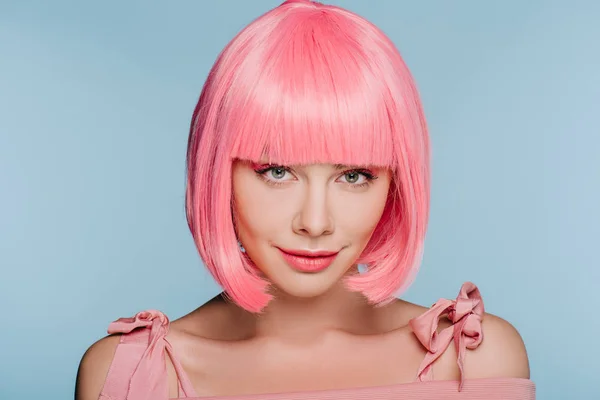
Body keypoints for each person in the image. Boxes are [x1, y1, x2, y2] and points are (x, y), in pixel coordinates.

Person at [75, 0, 535, 399]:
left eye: (353, 175)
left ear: (396, 184)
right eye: (277, 172)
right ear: (216, 170)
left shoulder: (476, 360)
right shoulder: (132, 376)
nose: (315, 223)